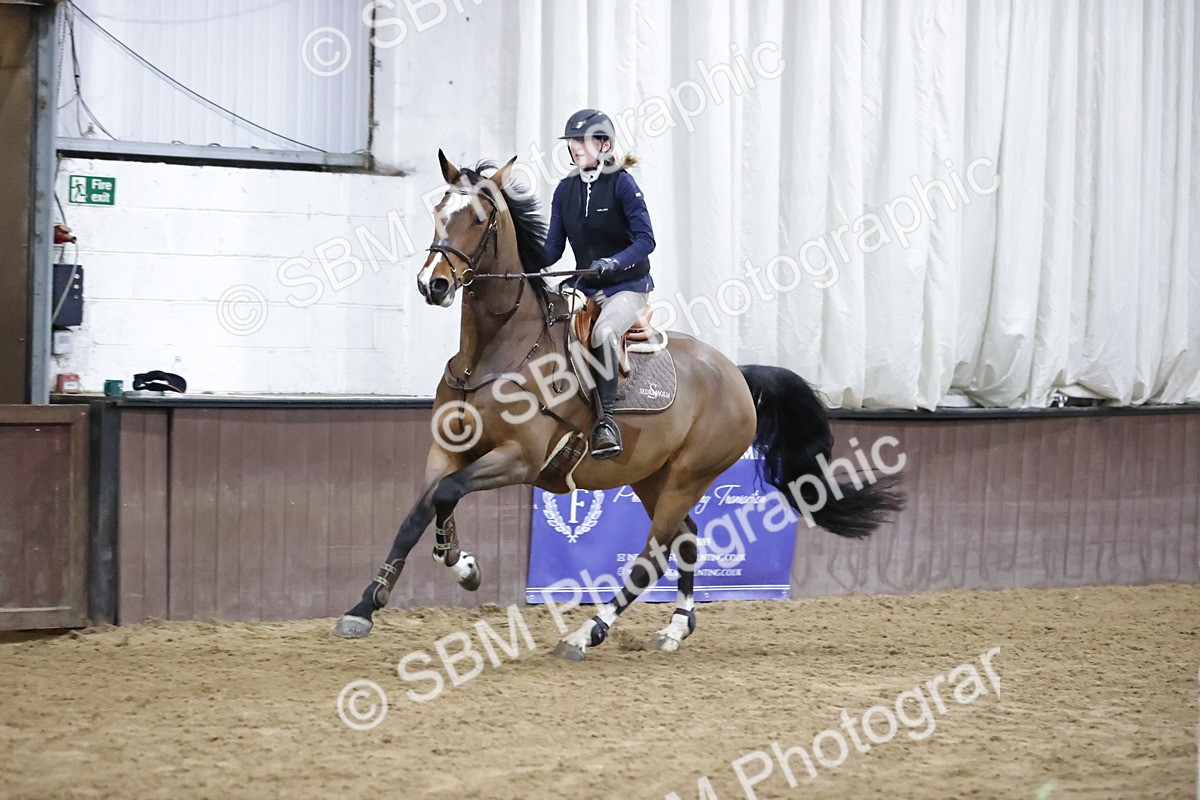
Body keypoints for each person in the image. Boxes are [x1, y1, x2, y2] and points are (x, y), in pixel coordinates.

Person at [542, 108, 656, 460]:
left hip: (626, 286)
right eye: (572, 141)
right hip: (585, 287)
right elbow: (552, 249)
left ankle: (606, 422)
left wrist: (613, 262)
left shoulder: (622, 184)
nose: (575, 147)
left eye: (583, 141)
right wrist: (519, 259)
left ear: (604, 145)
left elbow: (646, 240)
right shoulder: (565, 190)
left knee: (604, 332)